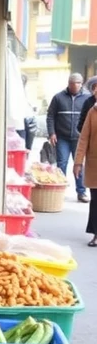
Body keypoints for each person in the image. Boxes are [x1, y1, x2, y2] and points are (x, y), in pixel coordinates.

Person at [47, 73, 90, 202]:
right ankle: (59, 191)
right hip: (62, 138)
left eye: (77, 83)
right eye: (72, 83)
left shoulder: (87, 99)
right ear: (68, 83)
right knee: (61, 164)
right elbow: (50, 116)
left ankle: (81, 192)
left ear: (81, 84)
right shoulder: (58, 98)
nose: (74, 86)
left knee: (79, 165)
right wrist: (51, 133)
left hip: (79, 138)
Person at [76, 103, 97, 247]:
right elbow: (84, 138)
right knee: (96, 200)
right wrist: (78, 162)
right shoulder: (93, 111)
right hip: (95, 164)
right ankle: (96, 234)